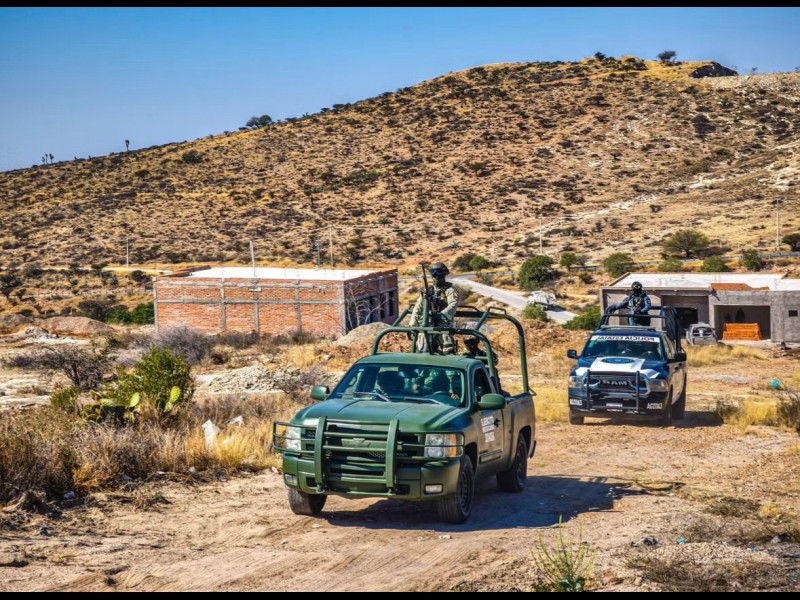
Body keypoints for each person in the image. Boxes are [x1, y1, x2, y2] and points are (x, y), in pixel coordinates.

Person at [409, 262, 460, 353]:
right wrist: (413, 324)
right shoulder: (428, 291)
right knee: (422, 339)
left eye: (439, 276)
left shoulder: (450, 291)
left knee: (446, 342)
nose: (436, 278)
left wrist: (440, 315)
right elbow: (418, 307)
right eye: (434, 276)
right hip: (427, 323)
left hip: (443, 323)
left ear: (443, 276)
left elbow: (453, 305)